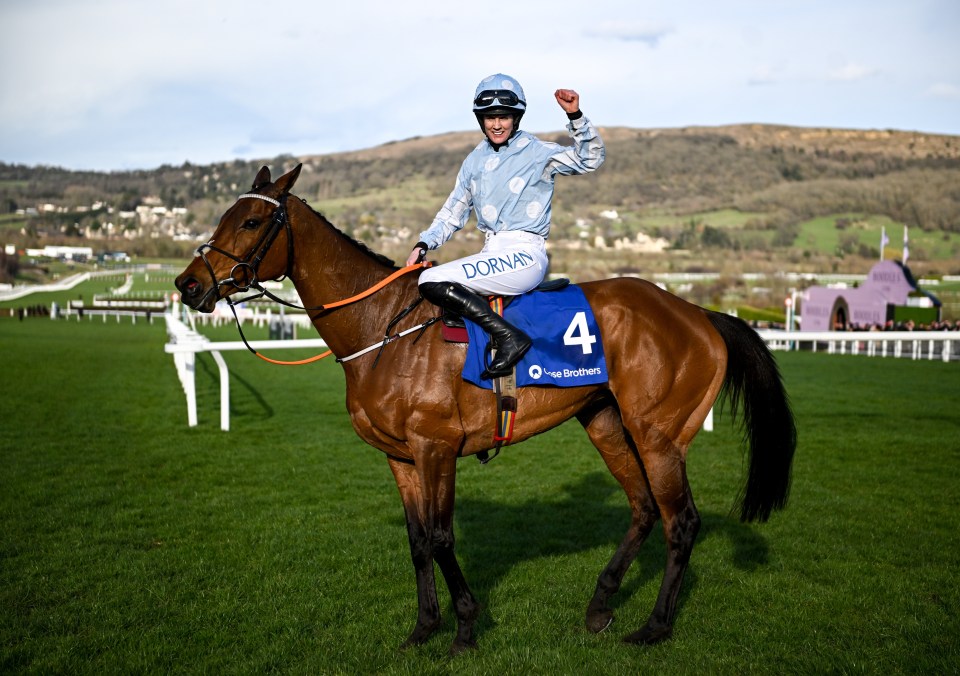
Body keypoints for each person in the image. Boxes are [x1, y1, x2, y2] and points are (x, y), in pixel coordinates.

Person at [406, 73, 605, 379]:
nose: (496, 124)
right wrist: (424, 243)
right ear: (480, 120)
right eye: (489, 118)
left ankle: (510, 337)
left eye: (503, 117)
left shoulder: (538, 152)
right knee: (432, 279)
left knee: (430, 280)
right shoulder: (473, 161)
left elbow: (590, 158)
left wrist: (574, 116)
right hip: (492, 253)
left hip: (525, 255)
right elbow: (454, 210)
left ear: (516, 118)